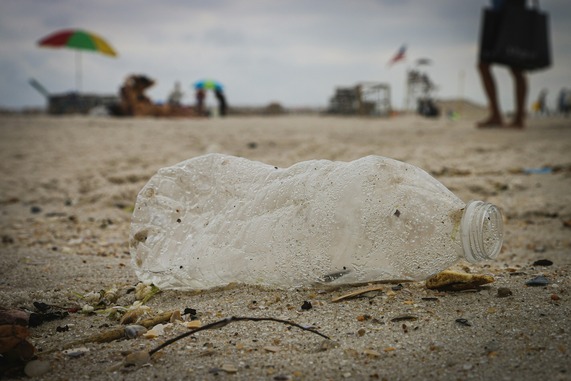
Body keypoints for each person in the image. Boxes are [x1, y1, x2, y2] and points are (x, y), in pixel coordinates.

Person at [477, 0, 527, 129]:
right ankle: (497, 115)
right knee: (483, 64)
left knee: (516, 67)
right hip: (497, 13)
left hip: (513, 13)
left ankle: (518, 117)